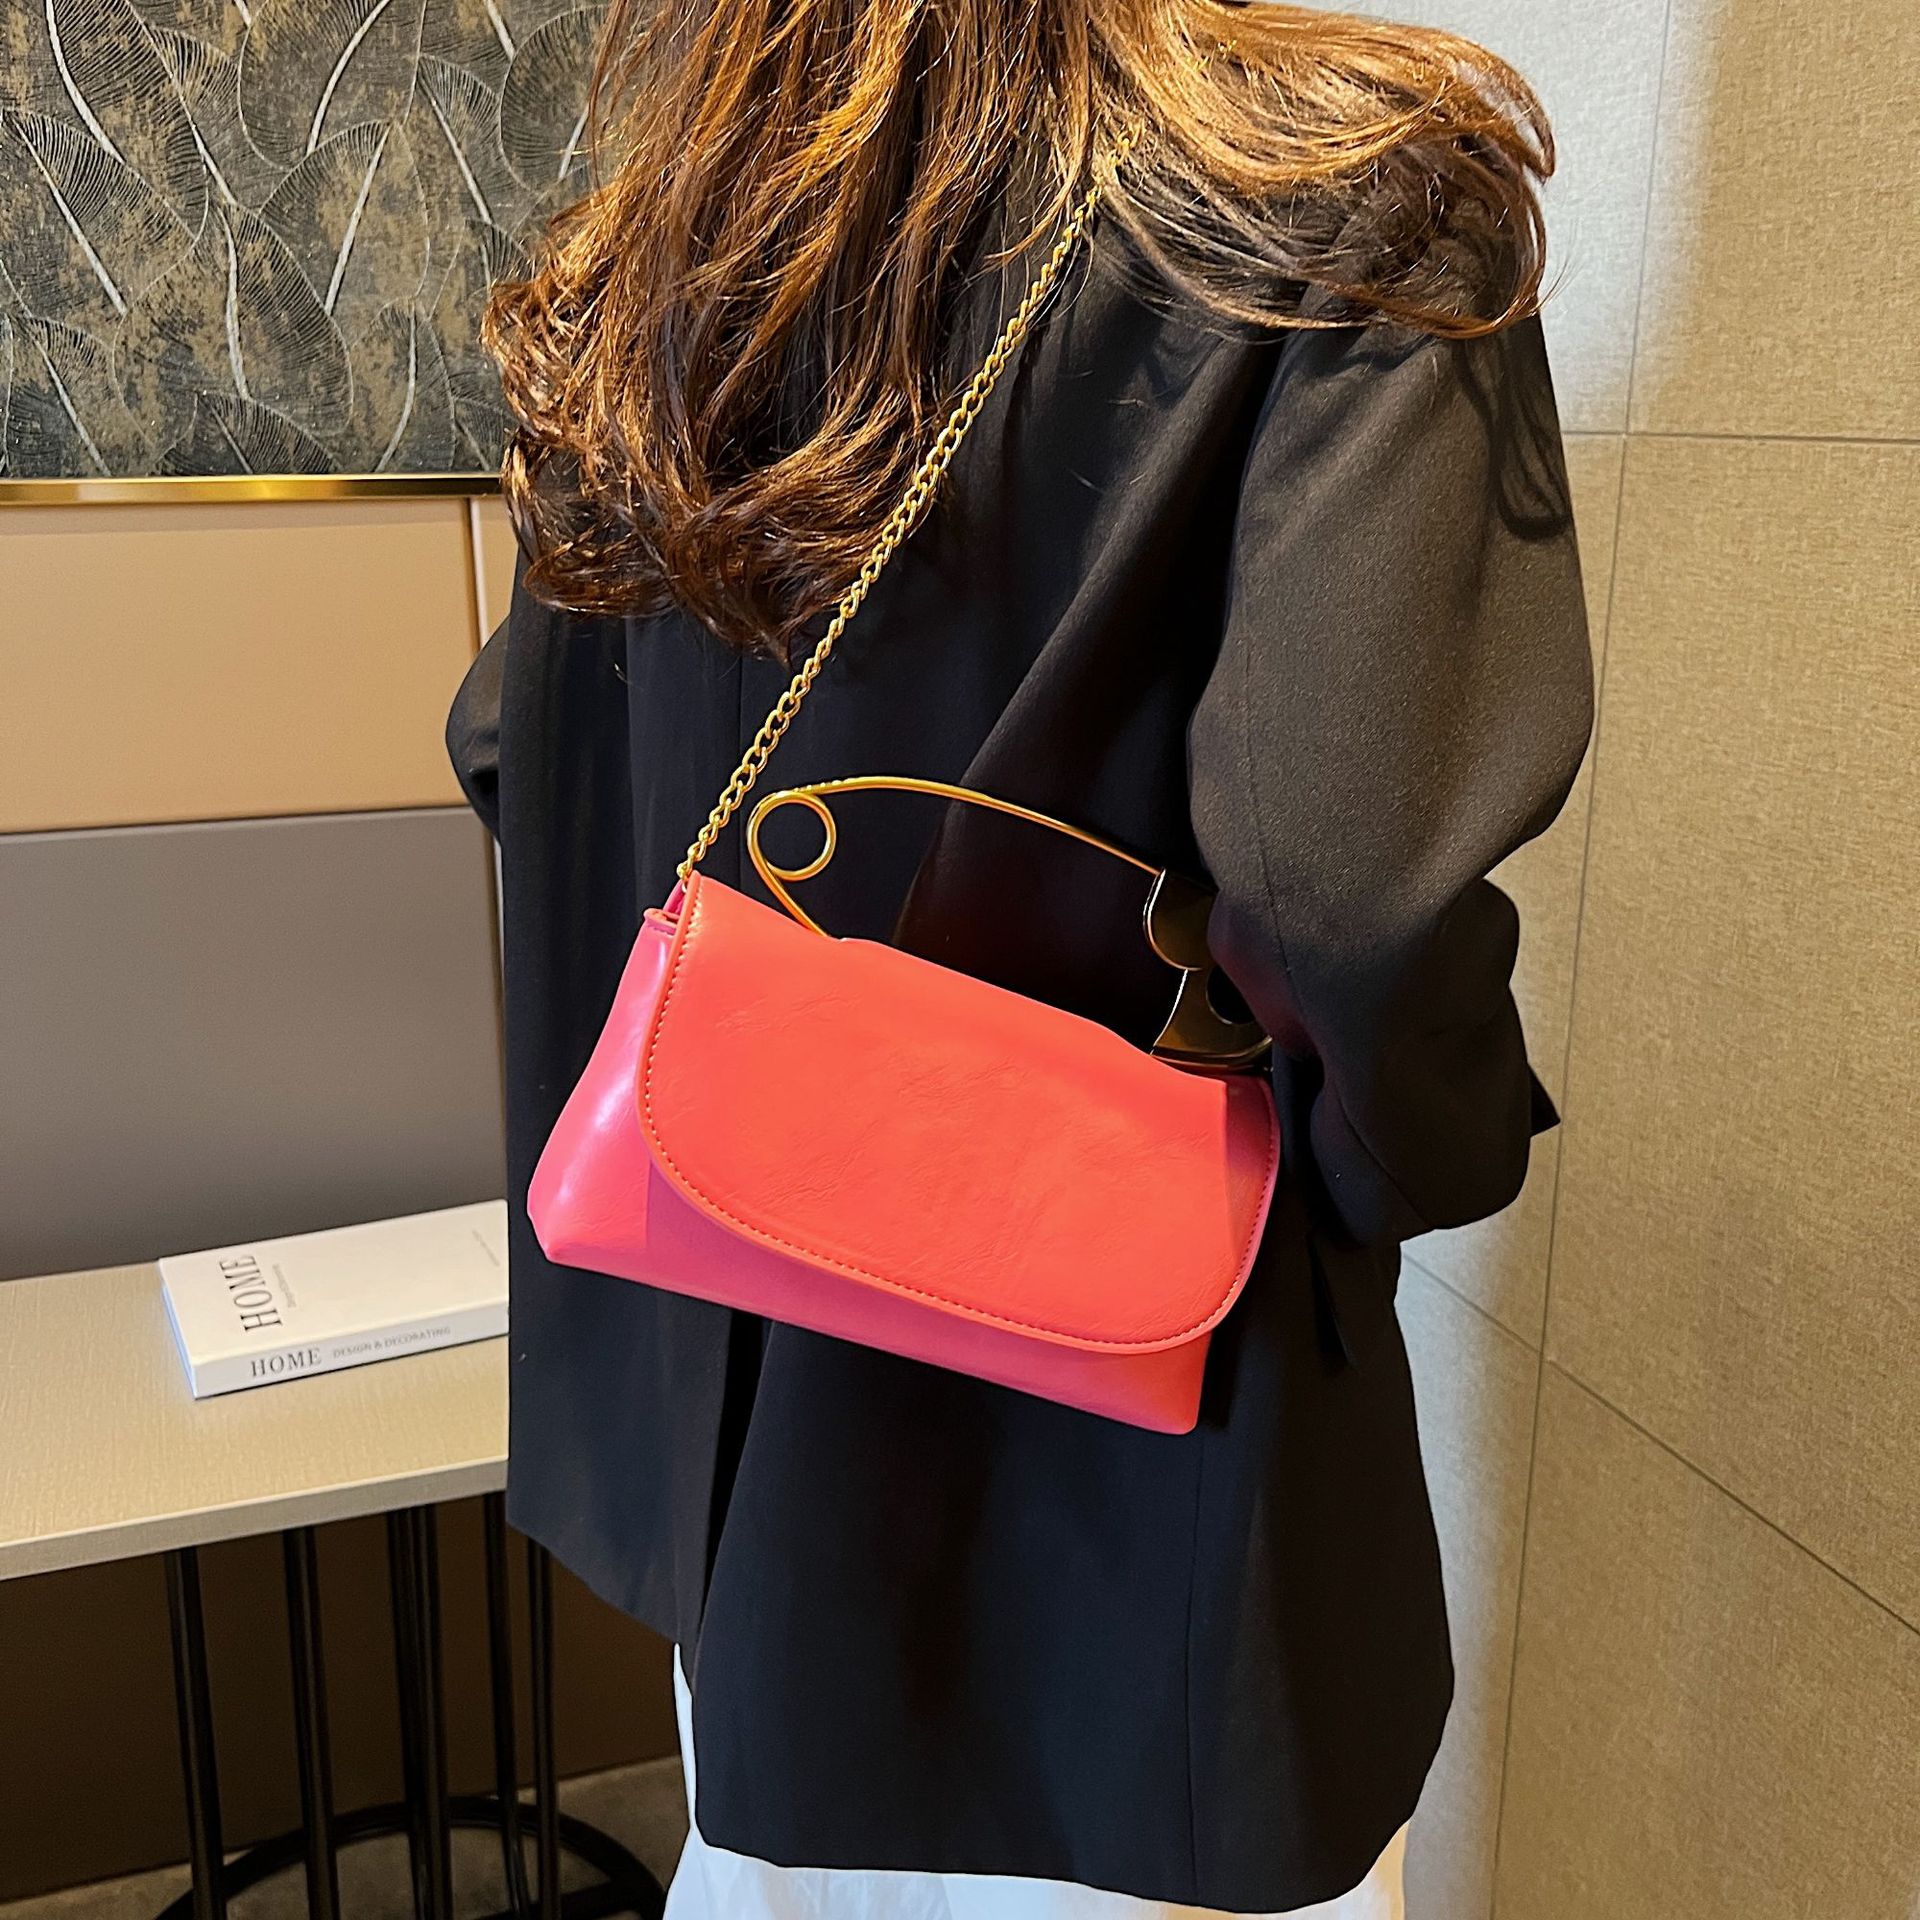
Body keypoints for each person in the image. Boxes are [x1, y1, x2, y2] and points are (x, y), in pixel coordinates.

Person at [447, 3, 1593, 1914]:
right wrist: (1429, 1149)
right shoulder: (1352, 193)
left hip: (747, 1484)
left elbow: (513, 746)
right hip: (1147, 1538)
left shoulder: (671, 242)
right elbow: (1344, 888)